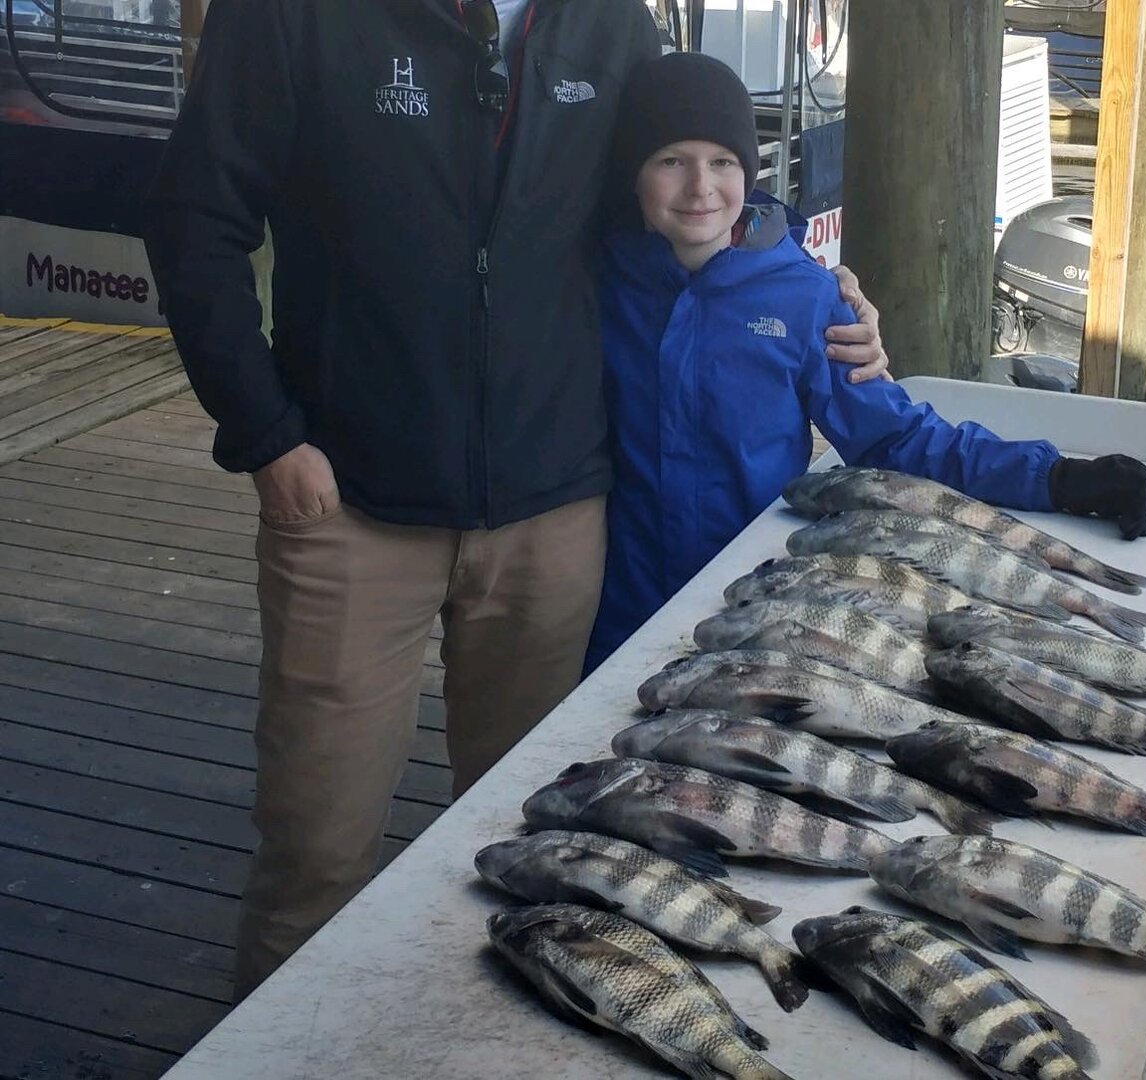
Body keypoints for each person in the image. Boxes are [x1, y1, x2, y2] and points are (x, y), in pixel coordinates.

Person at [142, 1, 888, 1001]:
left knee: (537, 832)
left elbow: (679, 188)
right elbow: (195, 221)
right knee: (316, 850)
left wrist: (808, 283)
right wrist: (266, 435)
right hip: (350, 504)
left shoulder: (608, 23)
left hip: (556, 510)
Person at [584, 52, 1146, 668]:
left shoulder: (807, 298)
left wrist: (1058, 480)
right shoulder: (591, 280)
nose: (700, 186)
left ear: (750, 171)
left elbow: (894, 439)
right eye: (671, 161)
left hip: (757, 605)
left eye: (723, 162)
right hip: (615, 612)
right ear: (634, 174)